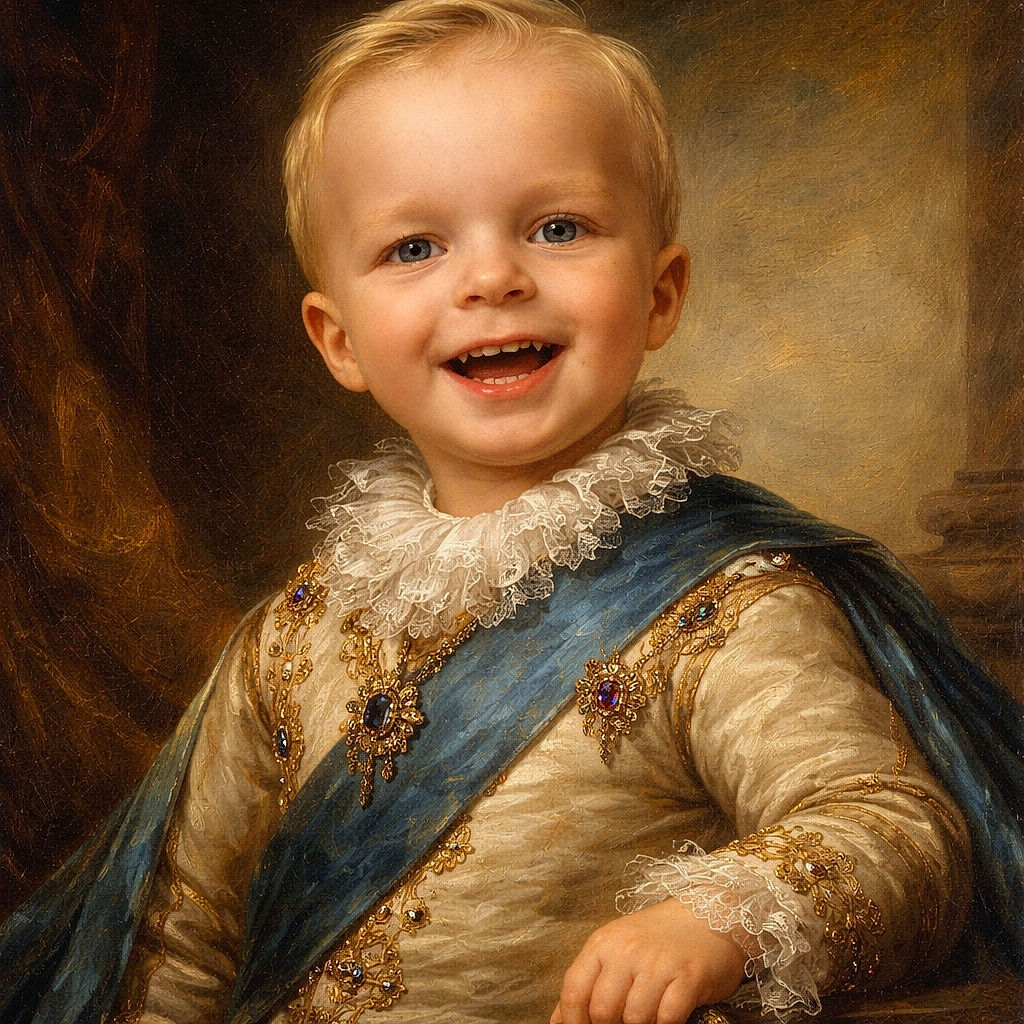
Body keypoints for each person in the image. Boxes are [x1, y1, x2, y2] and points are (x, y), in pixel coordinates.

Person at [2, 2, 1022, 1023]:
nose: (492, 278)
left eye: (558, 227)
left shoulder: (731, 606)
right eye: (413, 247)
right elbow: (183, 943)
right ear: (338, 340)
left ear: (661, 293)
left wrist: (715, 923)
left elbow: (897, 833)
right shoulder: (287, 643)